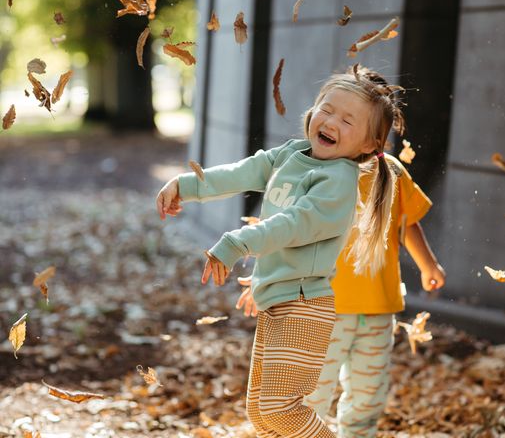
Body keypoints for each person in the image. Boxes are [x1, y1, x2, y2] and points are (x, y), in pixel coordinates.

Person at [156, 65, 405, 438]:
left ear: (370, 145)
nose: (331, 120)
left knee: (281, 410)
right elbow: (241, 173)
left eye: (348, 120)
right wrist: (185, 185)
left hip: (306, 307)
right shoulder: (293, 154)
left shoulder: (337, 181)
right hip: (277, 298)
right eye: (327, 108)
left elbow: (294, 223)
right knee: (262, 413)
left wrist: (237, 242)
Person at [236, 148, 446, 437]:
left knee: (368, 395)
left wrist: (428, 264)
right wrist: (265, 277)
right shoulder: (317, 170)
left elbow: (407, 221)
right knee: (312, 395)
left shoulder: (392, 170)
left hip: (377, 309)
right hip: (321, 310)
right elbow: (287, 227)